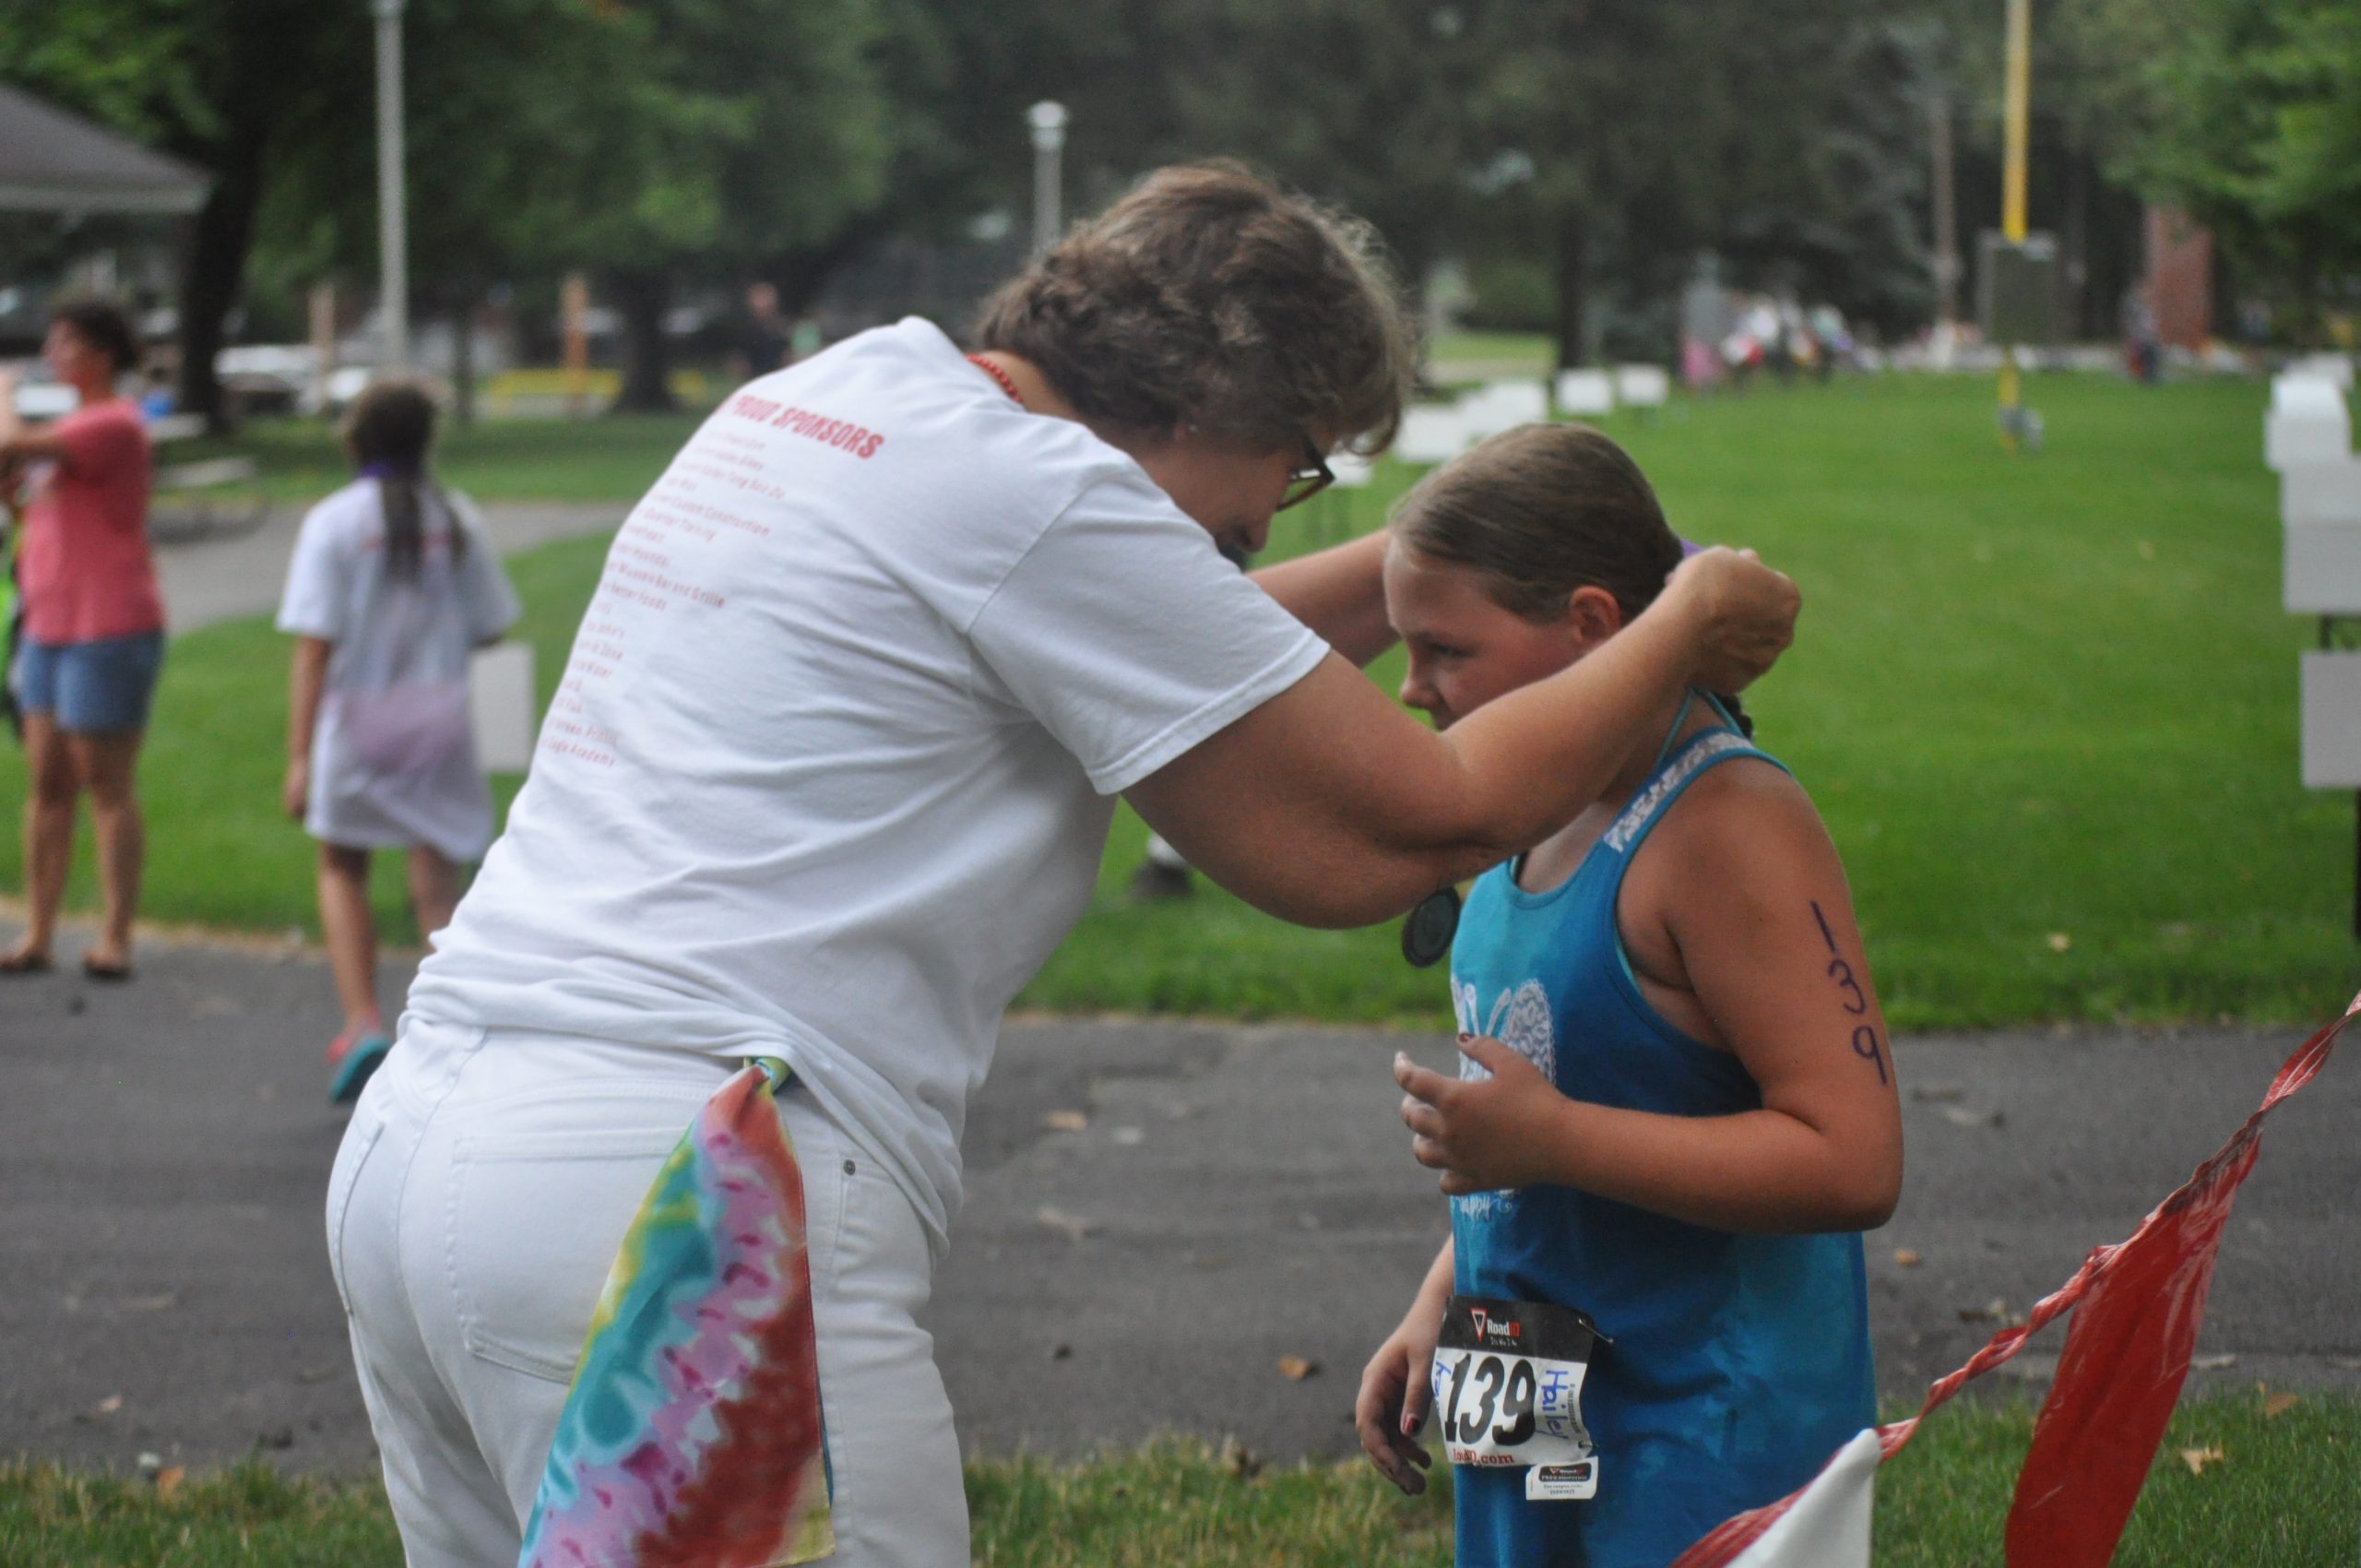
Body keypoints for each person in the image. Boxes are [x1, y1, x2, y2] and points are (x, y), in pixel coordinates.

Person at [329, 162, 1801, 1568]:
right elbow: (1404, 823)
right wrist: (1685, 616)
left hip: (430, 1151)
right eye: (1294, 470)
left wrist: (1424, 550)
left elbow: (1177, 659)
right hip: (681, 1195)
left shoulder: (849, 397)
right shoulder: (1042, 495)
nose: (1275, 515)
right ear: (1229, 400)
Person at [1352, 422, 1902, 1568]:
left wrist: (1549, 1139)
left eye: (1444, 648)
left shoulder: (1721, 826)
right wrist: (1440, 1303)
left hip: (1693, 1421)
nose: (1412, 689)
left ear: (1594, 626)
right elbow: (1533, 1105)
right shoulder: (1520, 808)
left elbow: (1852, 1159)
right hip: (1523, 1363)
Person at [277, 380, 521, 1104]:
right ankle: (450, 1029)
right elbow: (492, 623)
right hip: (441, 716)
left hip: (358, 720)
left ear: (355, 441)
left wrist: (298, 758)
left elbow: (313, 647)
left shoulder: (333, 522)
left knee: (342, 865)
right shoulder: (455, 516)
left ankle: (362, 1022)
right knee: (435, 878)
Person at [0, 298, 163, 980]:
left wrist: (1, 392)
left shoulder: (114, 422)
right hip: (48, 623)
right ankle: (37, 933)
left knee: (107, 783)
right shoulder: (71, 427)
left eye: (65, 342)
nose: (53, 354)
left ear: (100, 354)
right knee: (46, 781)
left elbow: (8, 445)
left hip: (110, 625)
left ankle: (115, 938)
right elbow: (30, 498)